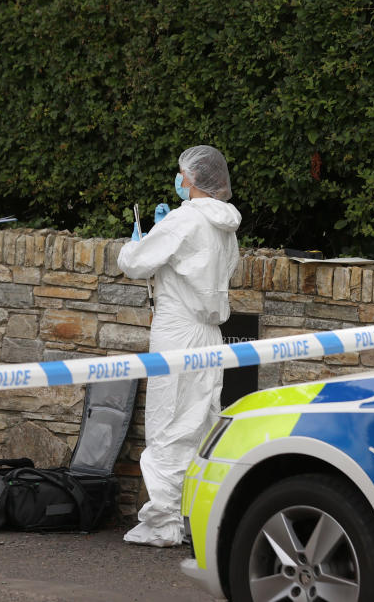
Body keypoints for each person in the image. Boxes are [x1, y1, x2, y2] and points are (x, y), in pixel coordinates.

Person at [117, 145, 241, 547]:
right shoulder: (226, 225)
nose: (179, 179)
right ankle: (197, 516)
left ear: (193, 179)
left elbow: (135, 264)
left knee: (168, 424)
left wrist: (137, 241)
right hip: (209, 334)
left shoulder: (184, 219)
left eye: (182, 174)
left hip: (177, 330)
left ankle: (163, 522)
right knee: (202, 424)